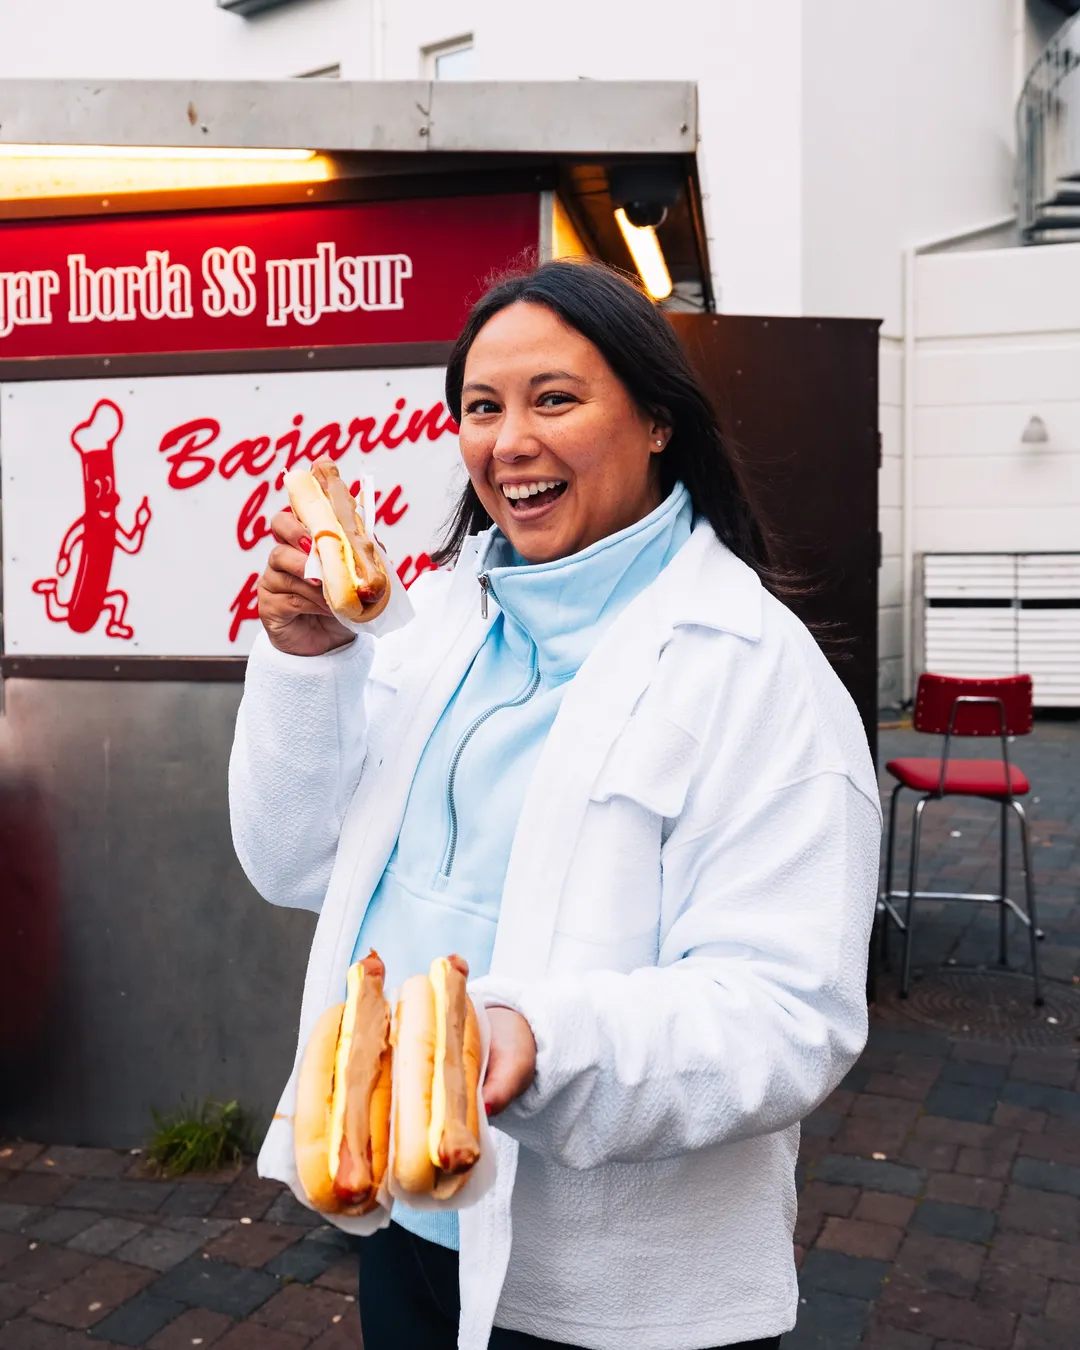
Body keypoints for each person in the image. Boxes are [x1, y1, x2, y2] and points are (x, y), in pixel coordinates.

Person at [229, 259, 881, 1350]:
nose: (507, 441)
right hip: (407, 1208)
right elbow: (293, 863)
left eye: (556, 399)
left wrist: (543, 1039)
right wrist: (305, 663)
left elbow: (790, 1012)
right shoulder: (435, 624)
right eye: (481, 407)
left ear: (660, 421)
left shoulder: (756, 670)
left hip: (614, 1295)